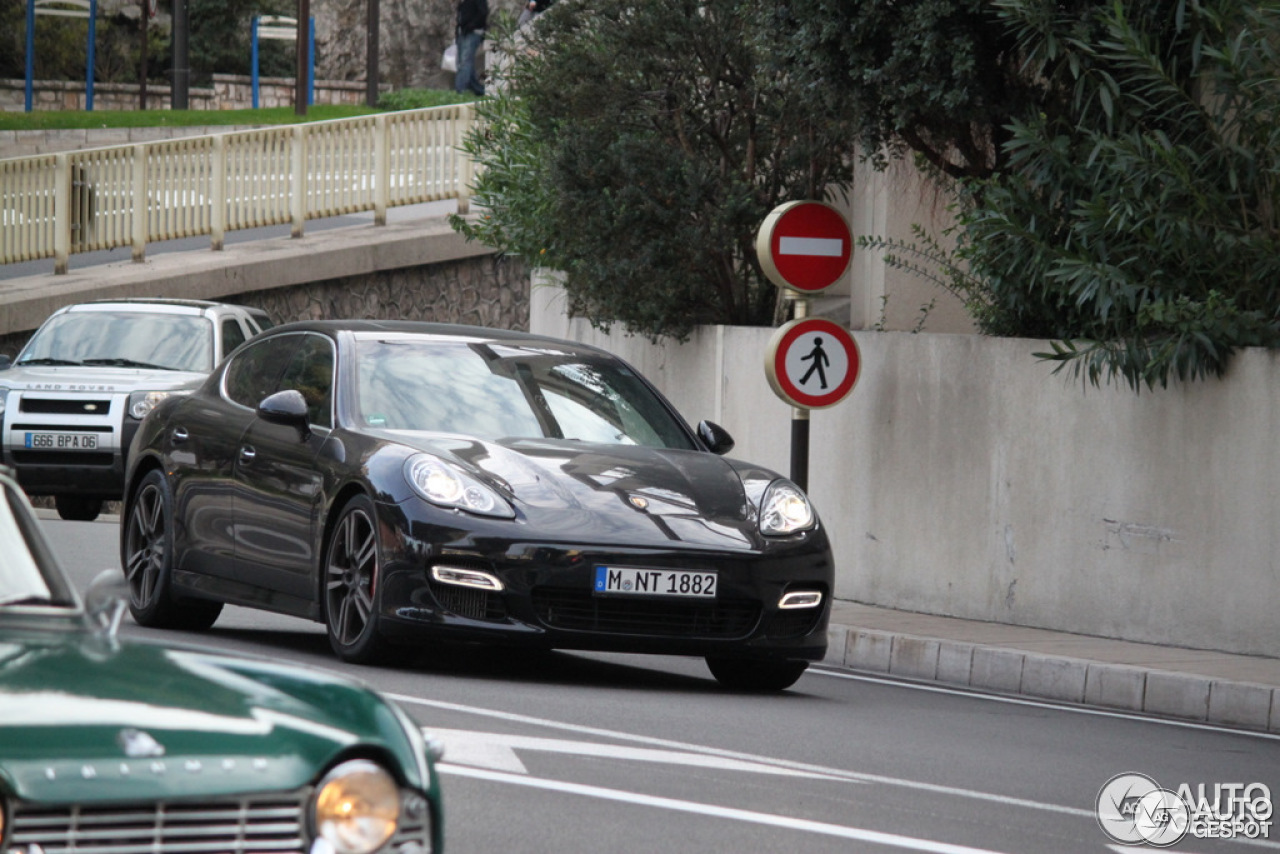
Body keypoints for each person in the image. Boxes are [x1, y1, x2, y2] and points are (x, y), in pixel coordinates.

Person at [455, 0, 488, 96]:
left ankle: (460, 89)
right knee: (464, 62)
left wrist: (472, 25)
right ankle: (478, 90)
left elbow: (483, 13)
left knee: (465, 62)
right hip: (463, 32)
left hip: (472, 32)